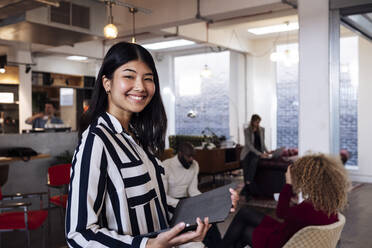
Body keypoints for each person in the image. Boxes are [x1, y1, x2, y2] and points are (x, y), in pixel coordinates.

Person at [66, 42, 238, 248]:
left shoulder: (138, 137)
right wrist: (147, 246)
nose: (140, 86)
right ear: (107, 83)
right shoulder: (96, 141)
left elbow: (155, 204)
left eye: (148, 78)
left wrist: (212, 206)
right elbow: (78, 234)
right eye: (129, 76)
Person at [219, 153, 350, 248]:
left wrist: (288, 184)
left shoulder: (304, 209)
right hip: (294, 236)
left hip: (284, 243)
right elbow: (293, 219)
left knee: (243, 231)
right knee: (246, 212)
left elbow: (281, 213)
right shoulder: (329, 207)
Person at [162, 142, 222, 247]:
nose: (191, 160)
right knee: (199, 222)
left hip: (186, 201)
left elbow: (193, 190)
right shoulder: (166, 165)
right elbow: (164, 196)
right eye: (188, 156)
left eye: (193, 156)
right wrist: (183, 204)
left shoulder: (195, 165)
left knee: (210, 219)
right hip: (170, 204)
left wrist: (204, 199)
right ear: (180, 154)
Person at [240, 114, 271, 198]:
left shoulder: (262, 130)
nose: (258, 124)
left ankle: (248, 183)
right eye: (256, 122)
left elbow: (262, 143)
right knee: (246, 166)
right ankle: (247, 191)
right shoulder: (247, 130)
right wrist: (261, 154)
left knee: (254, 162)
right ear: (252, 121)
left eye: (259, 122)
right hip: (248, 152)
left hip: (257, 152)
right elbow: (249, 145)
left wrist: (267, 152)